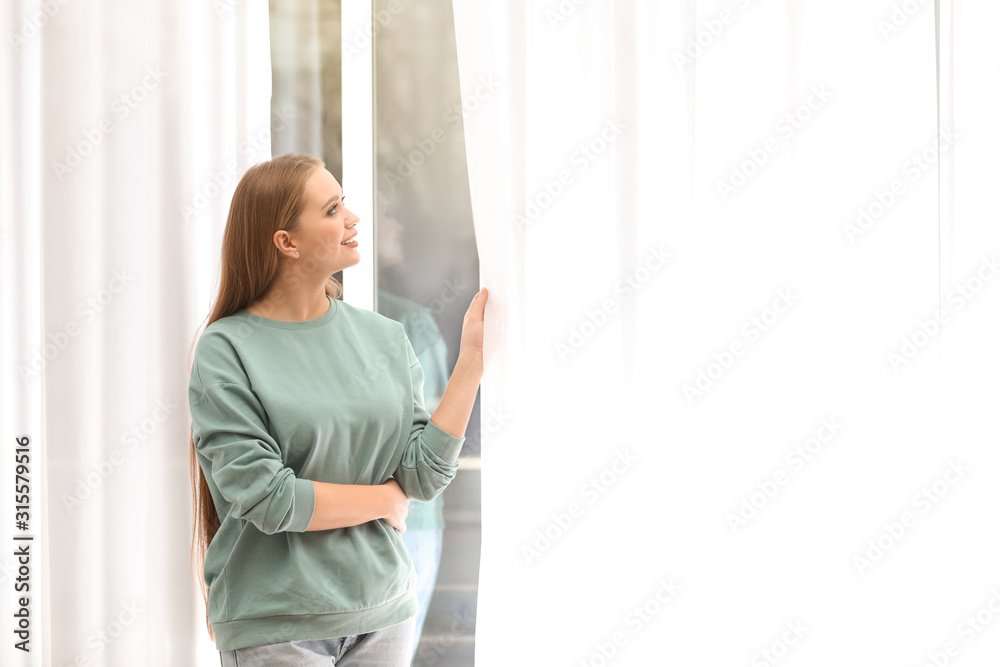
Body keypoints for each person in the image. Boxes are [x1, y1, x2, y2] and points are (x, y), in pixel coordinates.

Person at [186, 153, 488, 666]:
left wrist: (471, 365)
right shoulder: (227, 348)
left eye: (343, 202)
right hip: (278, 627)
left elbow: (421, 476)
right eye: (331, 209)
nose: (353, 218)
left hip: (385, 615)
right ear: (287, 242)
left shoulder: (384, 337)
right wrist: (382, 501)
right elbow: (268, 498)